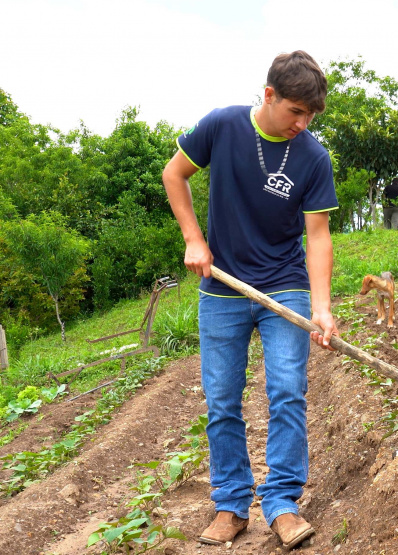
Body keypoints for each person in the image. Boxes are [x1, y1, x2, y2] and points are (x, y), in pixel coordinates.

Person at [161, 50, 339, 549]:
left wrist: (322, 306)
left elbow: (318, 236)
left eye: (310, 116)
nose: (301, 125)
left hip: (285, 284)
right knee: (222, 401)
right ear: (269, 95)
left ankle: (282, 503)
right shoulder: (222, 127)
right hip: (223, 289)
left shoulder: (312, 156)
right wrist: (194, 238)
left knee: (287, 393)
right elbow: (173, 174)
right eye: (295, 112)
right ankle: (232, 505)